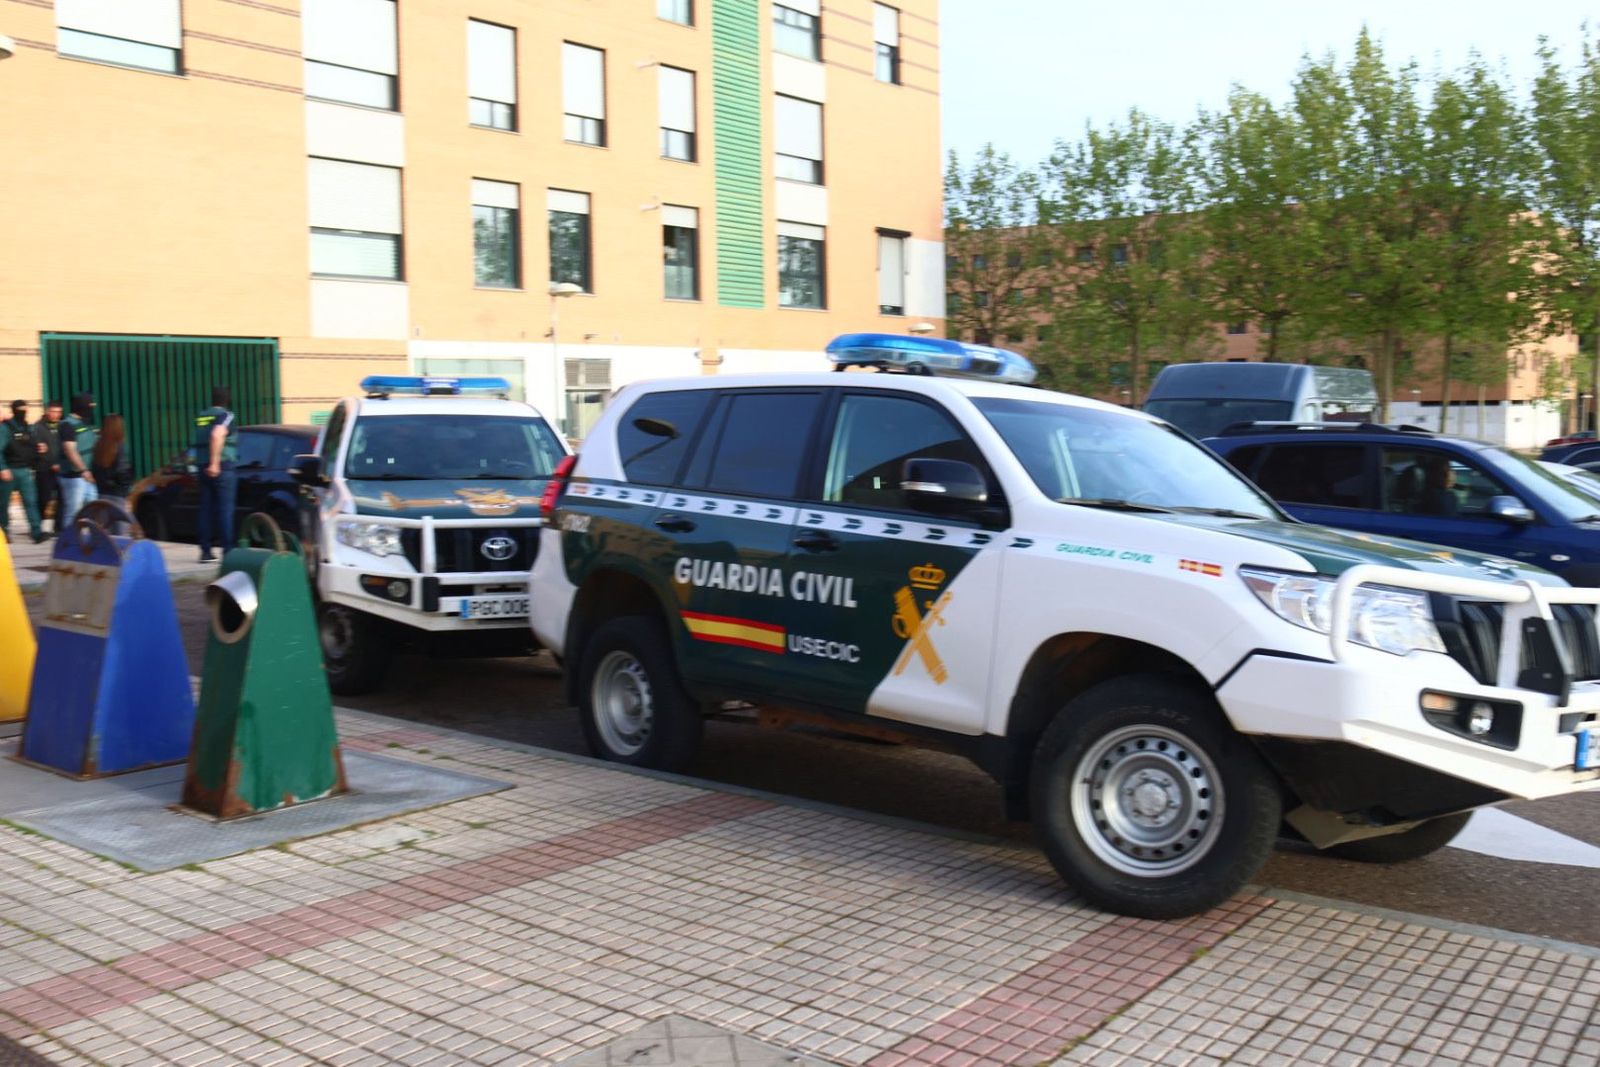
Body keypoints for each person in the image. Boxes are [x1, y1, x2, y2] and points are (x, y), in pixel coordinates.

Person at [193, 385, 238, 562]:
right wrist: (215, 463)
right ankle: (228, 551)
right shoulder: (226, 415)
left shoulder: (202, 416)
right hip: (221, 467)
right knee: (225, 510)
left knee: (205, 510)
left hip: (201, 467)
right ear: (227, 400)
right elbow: (217, 434)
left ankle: (205, 551)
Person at [2, 400, 45, 543]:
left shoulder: (27, 427)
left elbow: (30, 446)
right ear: (14, 410)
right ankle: (3, 532)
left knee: (31, 502)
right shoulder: (5, 428)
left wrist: (39, 449)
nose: (23, 412)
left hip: (25, 471)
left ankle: (37, 532)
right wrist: (2, 468)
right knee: (3, 504)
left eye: (25, 409)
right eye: (21, 409)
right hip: (9, 470)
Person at [56, 392, 98, 531]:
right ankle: (68, 543)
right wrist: (83, 470)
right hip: (73, 477)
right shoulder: (67, 425)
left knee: (93, 509)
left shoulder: (85, 423)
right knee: (73, 512)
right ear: (81, 406)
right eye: (89, 406)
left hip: (86, 476)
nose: (91, 409)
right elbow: (70, 450)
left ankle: (90, 542)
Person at [90, 414, 134, 534]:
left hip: (102, 494)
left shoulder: (98, 446)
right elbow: (122, 472)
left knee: (106, 533)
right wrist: (127, 494)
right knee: (121, 535)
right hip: (118, 495)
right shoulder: (120, 447)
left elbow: (94, 470)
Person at [30, 400, 63, 536]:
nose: (56, 415)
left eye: (59, 412)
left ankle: (58, 527)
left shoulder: (63, 426)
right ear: (46, 411)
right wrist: (51, 463)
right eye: (53, 411)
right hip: (44, 469)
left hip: (62, 469)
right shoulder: (37, 427)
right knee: (43, 499)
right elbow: (38, 448)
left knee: (62, 499)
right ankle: (40, 527)